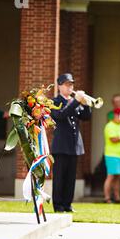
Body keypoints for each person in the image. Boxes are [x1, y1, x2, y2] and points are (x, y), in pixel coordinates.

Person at [51, 73, 91, 213]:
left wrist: (85, 105)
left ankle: (67, 204)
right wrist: (76, 101)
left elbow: (86, 117)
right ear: (59, 86)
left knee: (70, 178)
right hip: (61, 146)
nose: (70, 87)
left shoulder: (75, 102)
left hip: (74, 145)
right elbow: (60, 115)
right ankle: (58, 205)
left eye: (71, 84)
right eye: (67, 84)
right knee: (60, 177)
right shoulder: (54, 102)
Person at [103, 108, 120, 203]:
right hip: (112, 155)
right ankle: (107, 198)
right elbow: (113, 139)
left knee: (118, 177)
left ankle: (117, 198)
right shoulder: (110, 126)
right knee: (111, 176)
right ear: (114, 115)